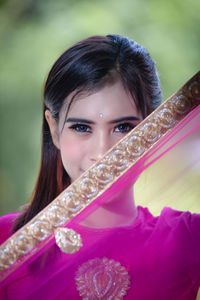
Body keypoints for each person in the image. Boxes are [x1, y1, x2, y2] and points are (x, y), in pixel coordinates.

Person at [0, 34, 199, 299]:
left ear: (155, 133)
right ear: (54, 129)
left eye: (124, 128)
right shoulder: (8, 241)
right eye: (82, 128)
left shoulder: (186, 240)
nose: (103, 153)